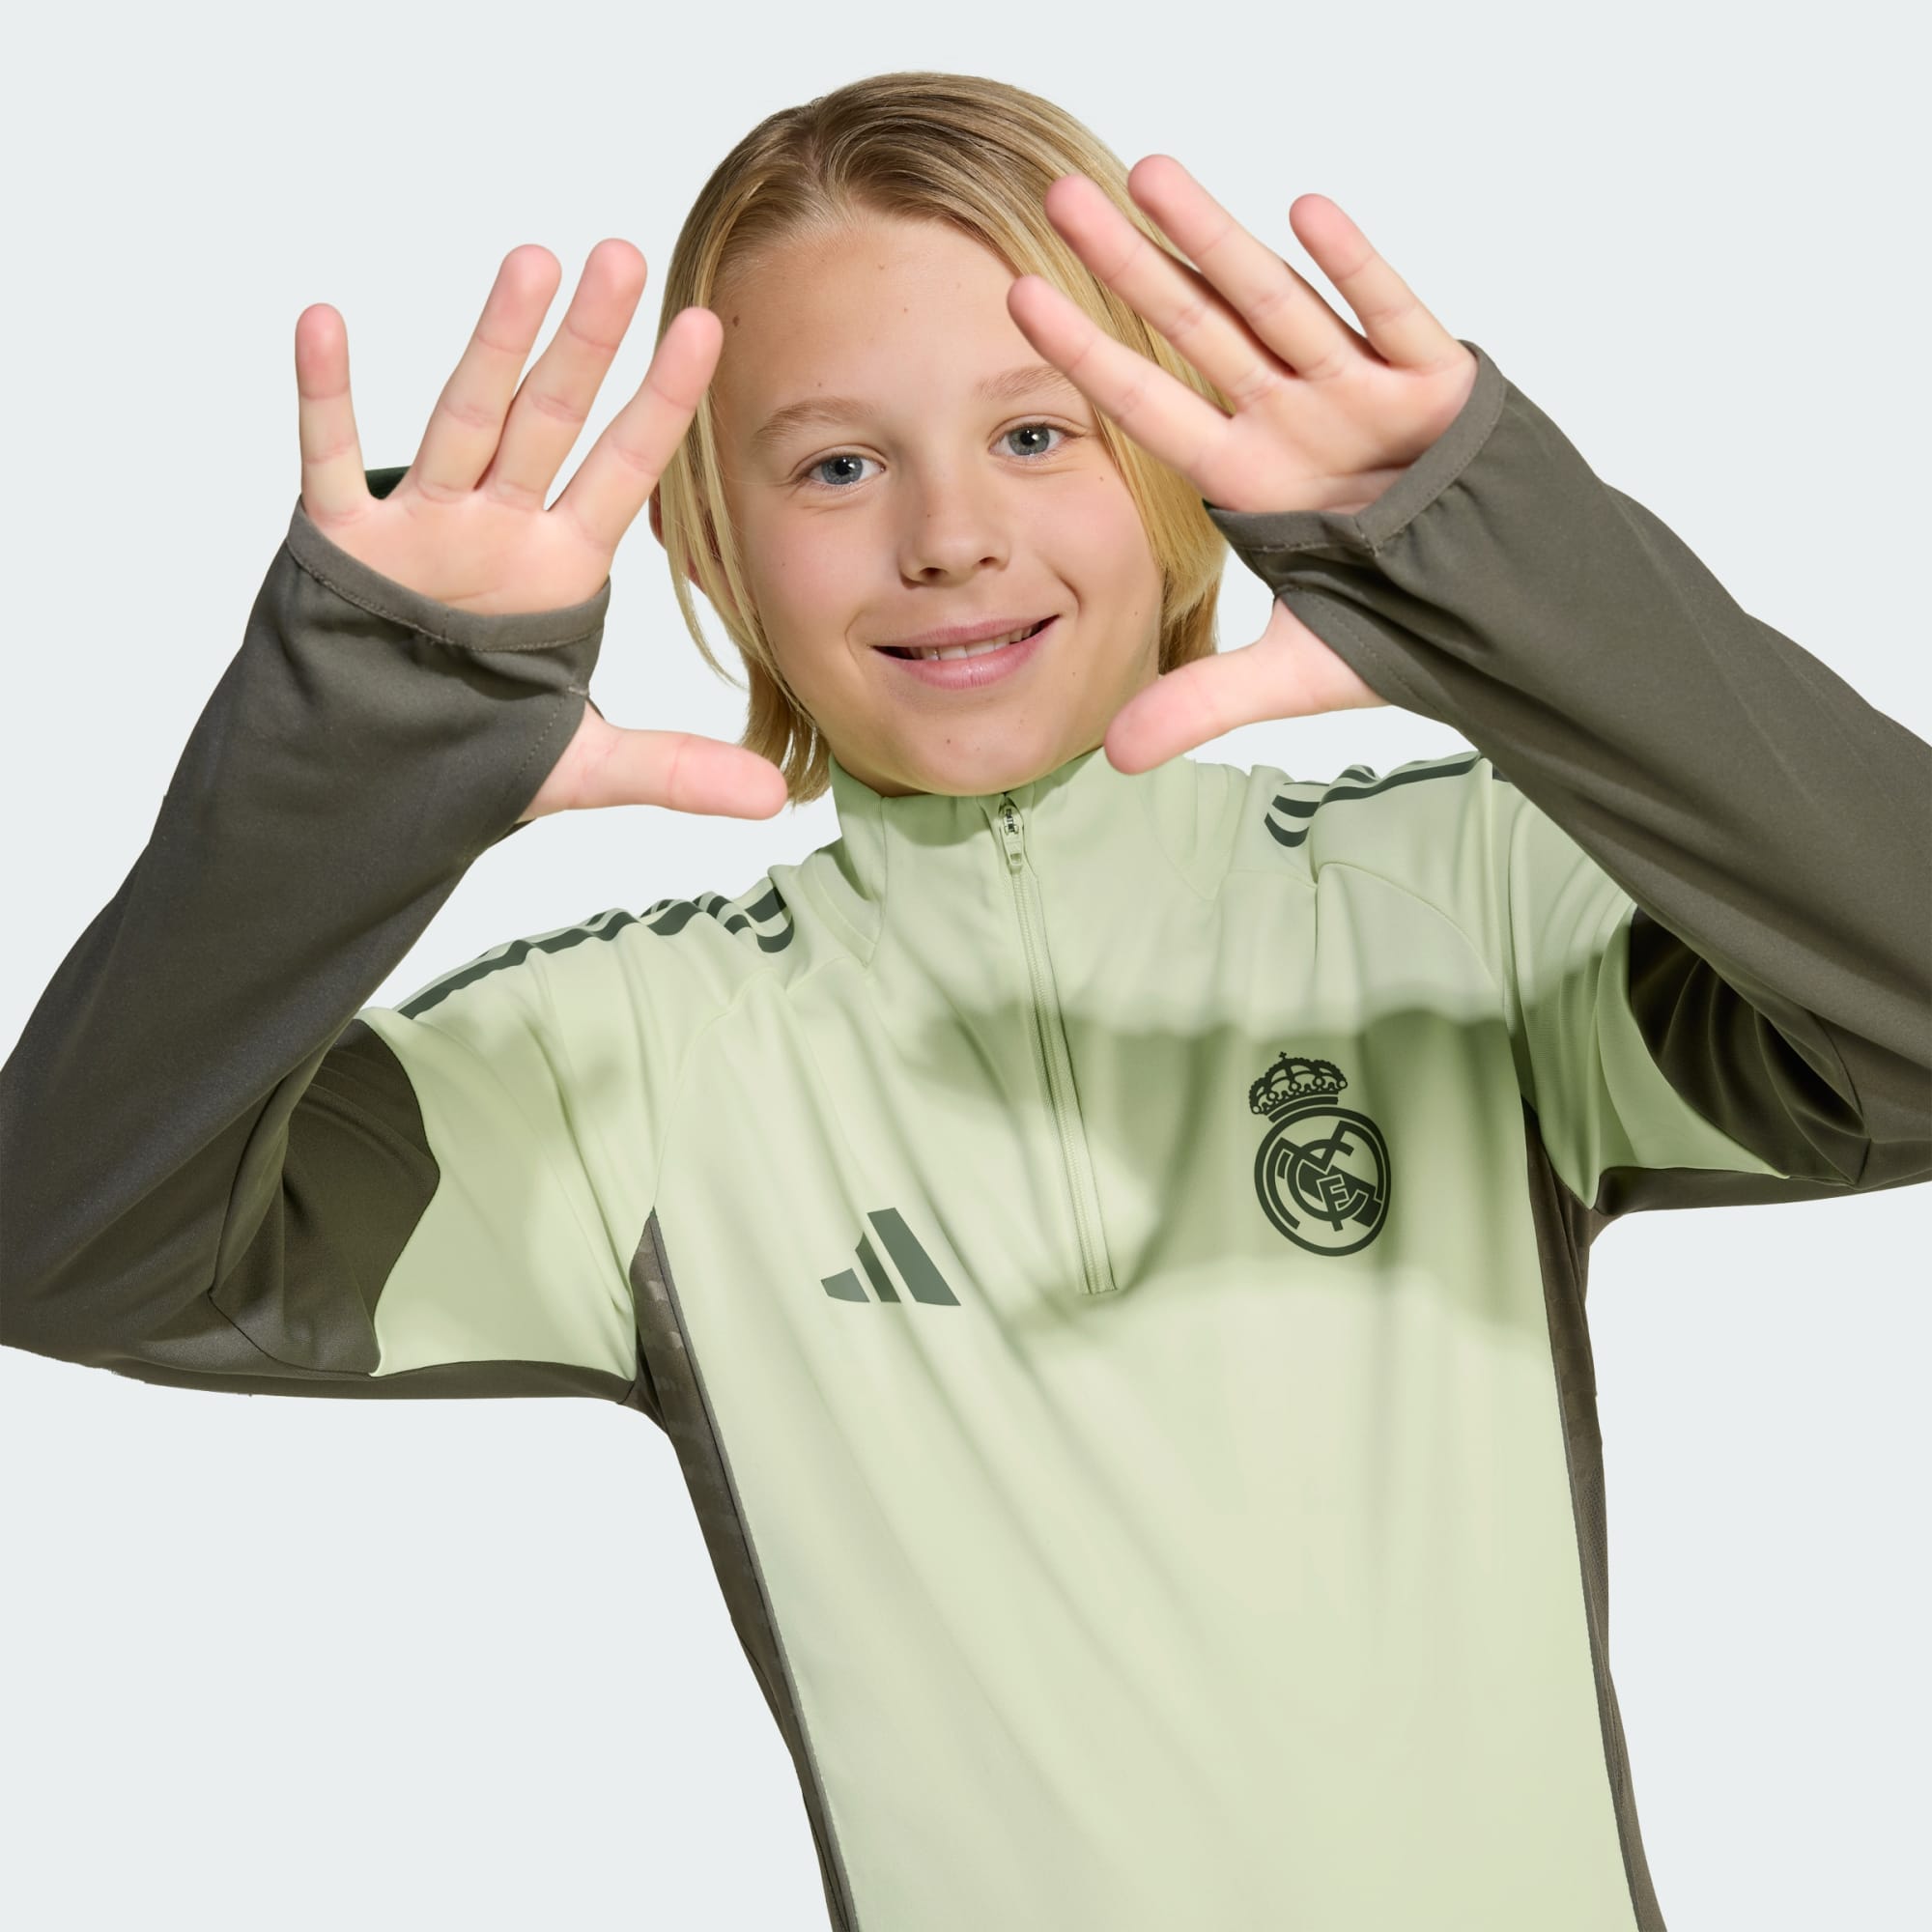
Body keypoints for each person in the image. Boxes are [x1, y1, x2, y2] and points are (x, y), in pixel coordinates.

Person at [2, 66, 1926, 1932]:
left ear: (1172, 460)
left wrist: (1514, 586)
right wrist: (354, 754)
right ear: (707, 540)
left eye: (1035, 434)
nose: (947, 537)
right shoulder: (624, 1070)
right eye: (837, 464)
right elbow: (71, 1248)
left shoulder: (1473, 906)